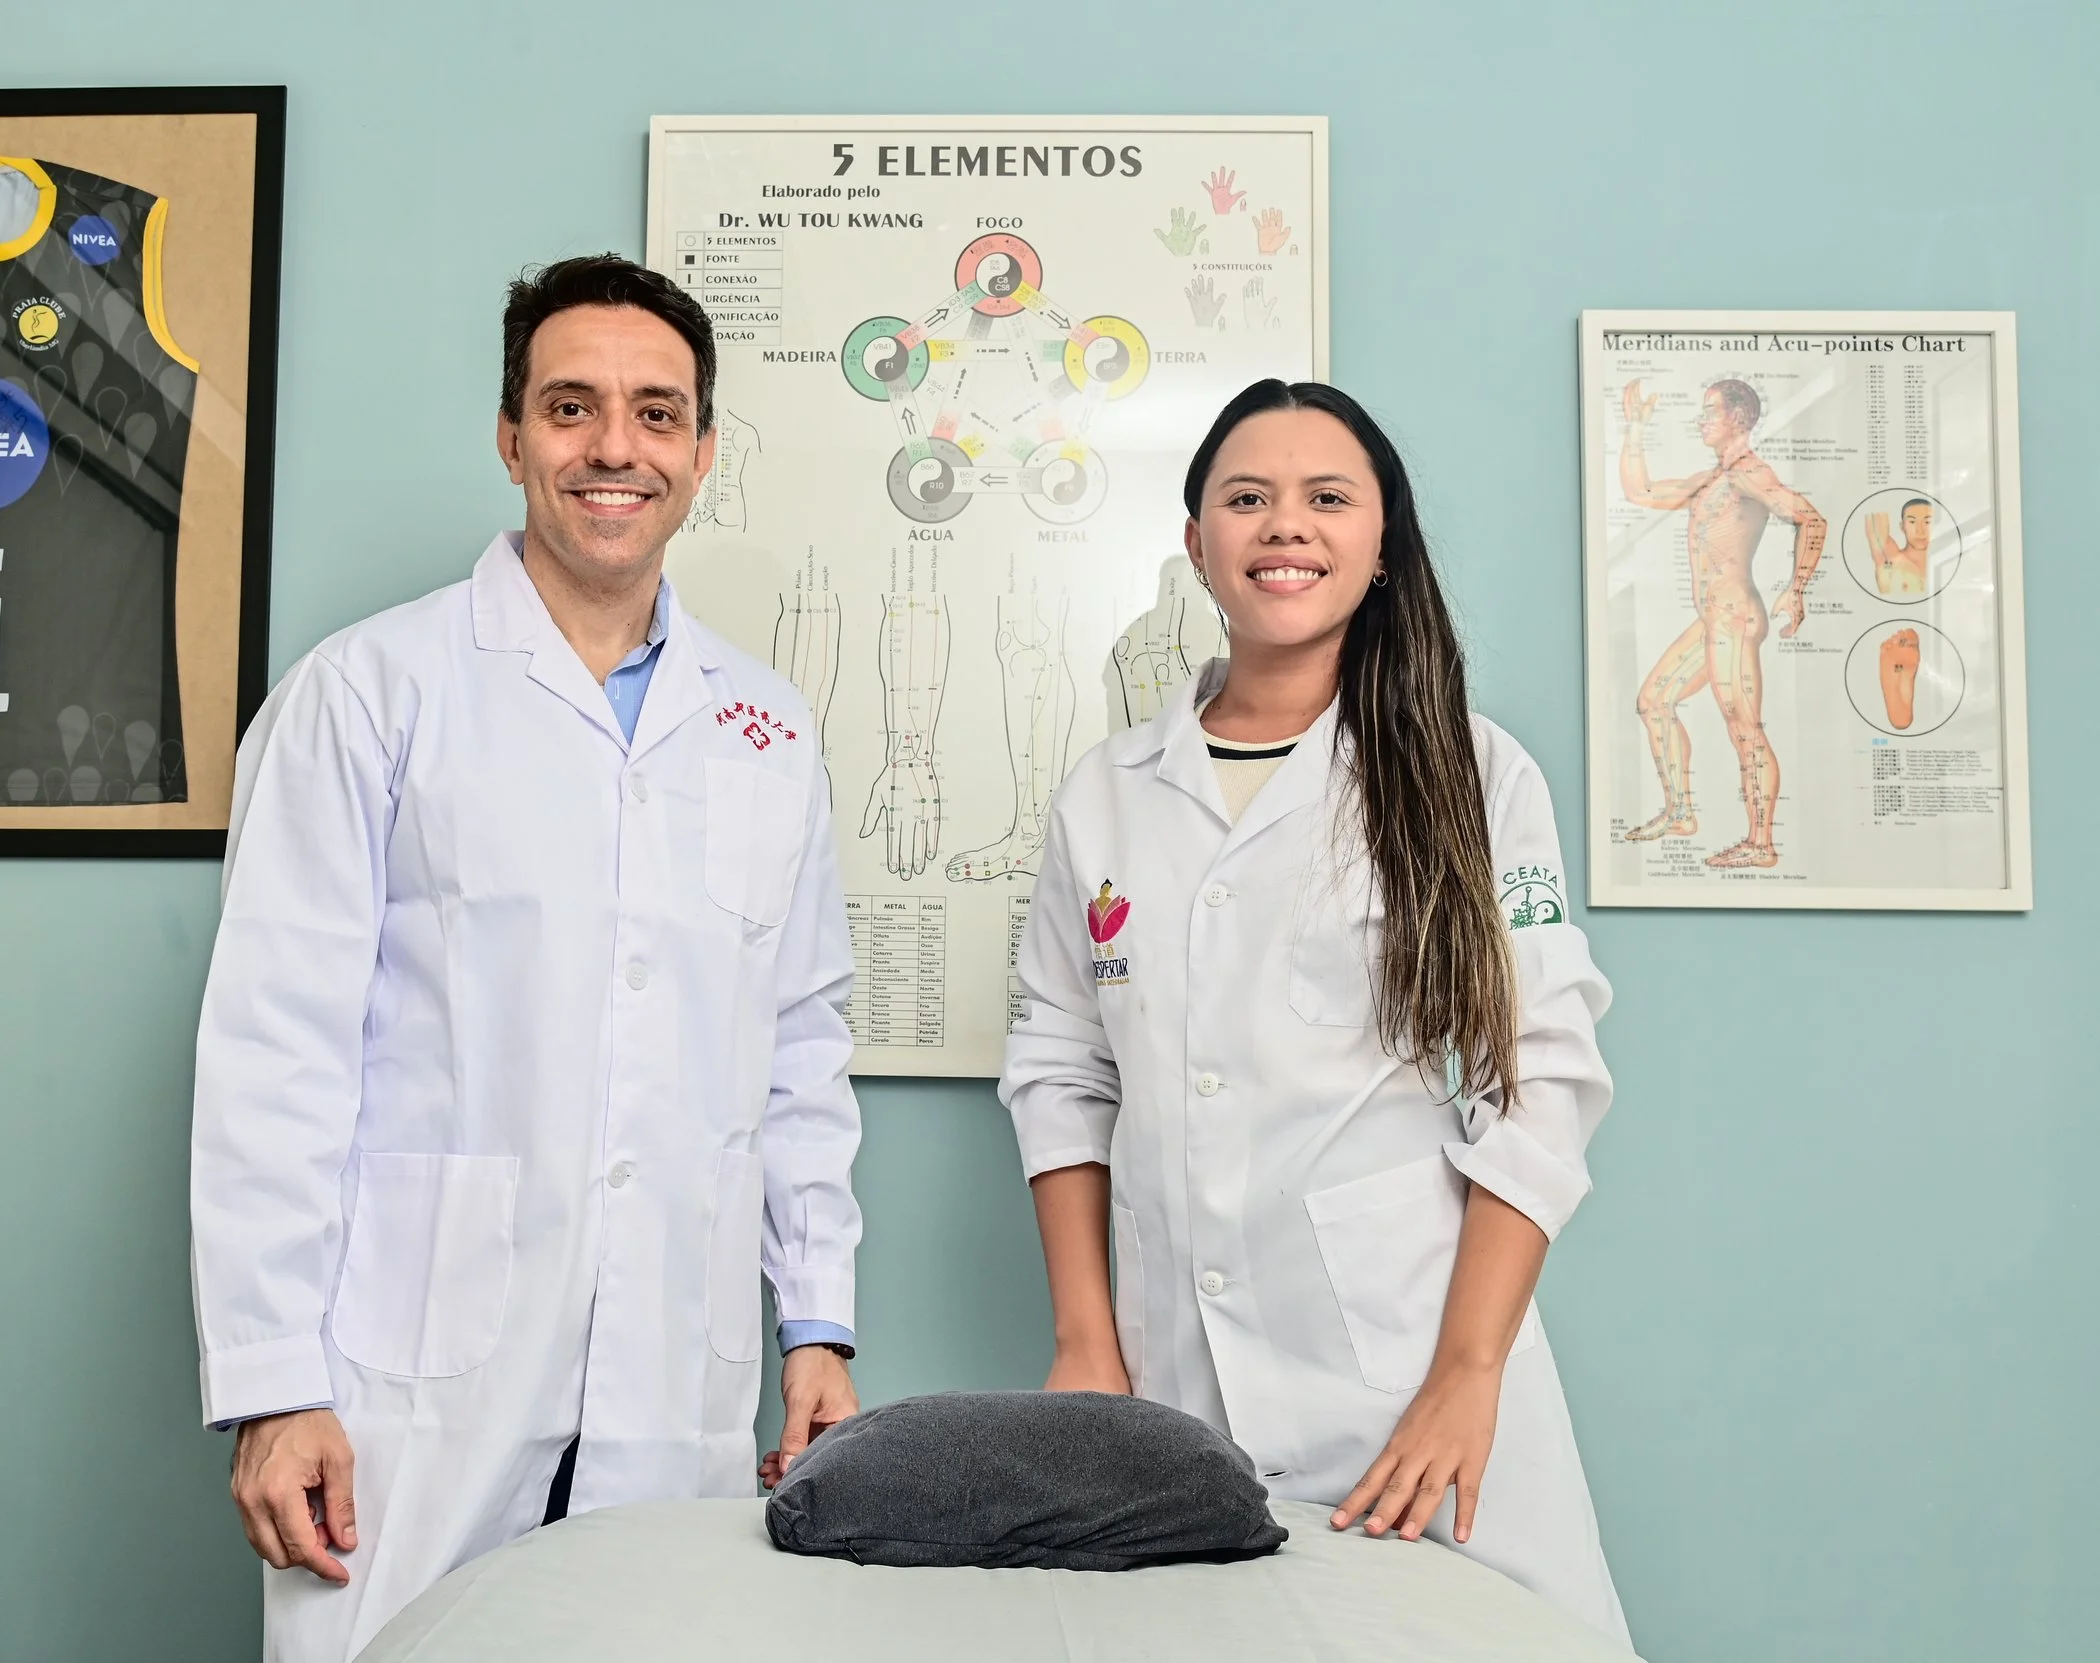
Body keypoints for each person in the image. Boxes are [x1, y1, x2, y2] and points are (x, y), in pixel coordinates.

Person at [191, 255, 863, 1662]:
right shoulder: (369, 692)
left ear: (702, 452)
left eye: (655, 413)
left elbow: (799, 1045)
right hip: (409, 1377)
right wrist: (272, 1381)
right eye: (571, 407)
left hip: (677, 1362)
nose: (614, 446)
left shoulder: (766, 729)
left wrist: (819, 1322)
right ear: (511, 437)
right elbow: (274, 1047)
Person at [1003, 380, 1631, 1645]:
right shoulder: (1107, 793)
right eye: (1246, 498)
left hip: (1406, 1364)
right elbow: (1060, 1066)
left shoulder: (1471, 767)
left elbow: (1541, 1075)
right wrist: (1086, 1345)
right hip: (1169, 1370)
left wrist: (1466, 1375)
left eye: (1326, 498)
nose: (1284, 526)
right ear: (1195, 544)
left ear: (1381, 540)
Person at [1618, 377, 1826, 868]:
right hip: (1713, 621)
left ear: (1739, 418)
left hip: (1734, 618)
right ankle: (1680, 811)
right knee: (1654, 701)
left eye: (1710, 410)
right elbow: (1640, 490)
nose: (1701, 419)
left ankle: (1760, 843)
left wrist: (1796, 591)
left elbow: (1811, 519)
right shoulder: (1712, 479)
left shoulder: (1749, 474)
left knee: (1744, 728)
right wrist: (1635, 427)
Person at [1865, 498, 1933, 597]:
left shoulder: (1950, 565)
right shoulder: (1889, 558)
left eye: (1927, 522)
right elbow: (1872, 508)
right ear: (1902, 526)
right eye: (1912, 522)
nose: (1920, 531)